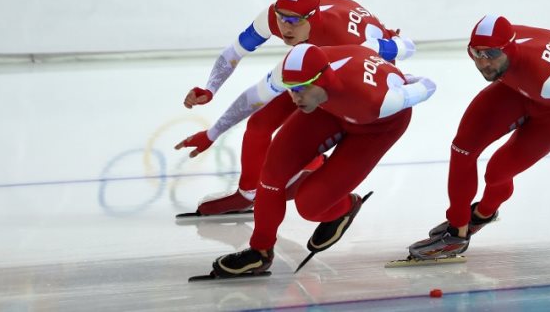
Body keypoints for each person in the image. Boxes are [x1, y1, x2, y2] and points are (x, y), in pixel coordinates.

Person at [175, 43, 436, 276]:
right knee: (272, 174)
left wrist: (407, 78)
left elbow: (427, 87)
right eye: (289, 89)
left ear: (323, 79)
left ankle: (346, 206)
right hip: (328, 109)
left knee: (310, 207)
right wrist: (212, 134)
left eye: (301, 90)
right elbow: (251, 100)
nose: (294, 97)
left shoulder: (377, 100)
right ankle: (259, 253)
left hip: (375, 128)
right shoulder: (292, 74)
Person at [182, 0, 416, 216]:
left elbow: (407, 46)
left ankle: (315, 169)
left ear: (312, 18)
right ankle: (248, 193)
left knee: (313, 123)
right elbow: (234, 52)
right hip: (316, 62)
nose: (285, 28)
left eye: (294, 21)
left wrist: (395, 63)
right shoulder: (274, 20)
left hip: (359, 72)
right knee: (259, 122)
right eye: (281, 17)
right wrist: (210, 89)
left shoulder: (350, 40)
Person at [407, 15, 550, 260]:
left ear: (509, 48)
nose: (484, 63)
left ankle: (484, 213)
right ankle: (456, 233)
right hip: (518, 88)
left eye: (492, 55)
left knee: (496, 172)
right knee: (462, 148)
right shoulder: (502, 44)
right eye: (477, 53)